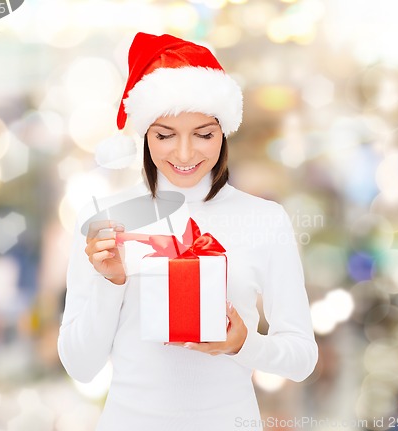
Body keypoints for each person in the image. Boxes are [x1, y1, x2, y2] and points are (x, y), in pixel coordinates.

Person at [57, 32, 318, 431]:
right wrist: (111, 283)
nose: (184, 154)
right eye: (164, 135)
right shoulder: (106, 220)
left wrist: (244, 344)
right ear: (144, 133)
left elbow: (301, 358)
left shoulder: (265, 219)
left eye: (203, 134)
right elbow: (81, 365)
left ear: (224, 131)